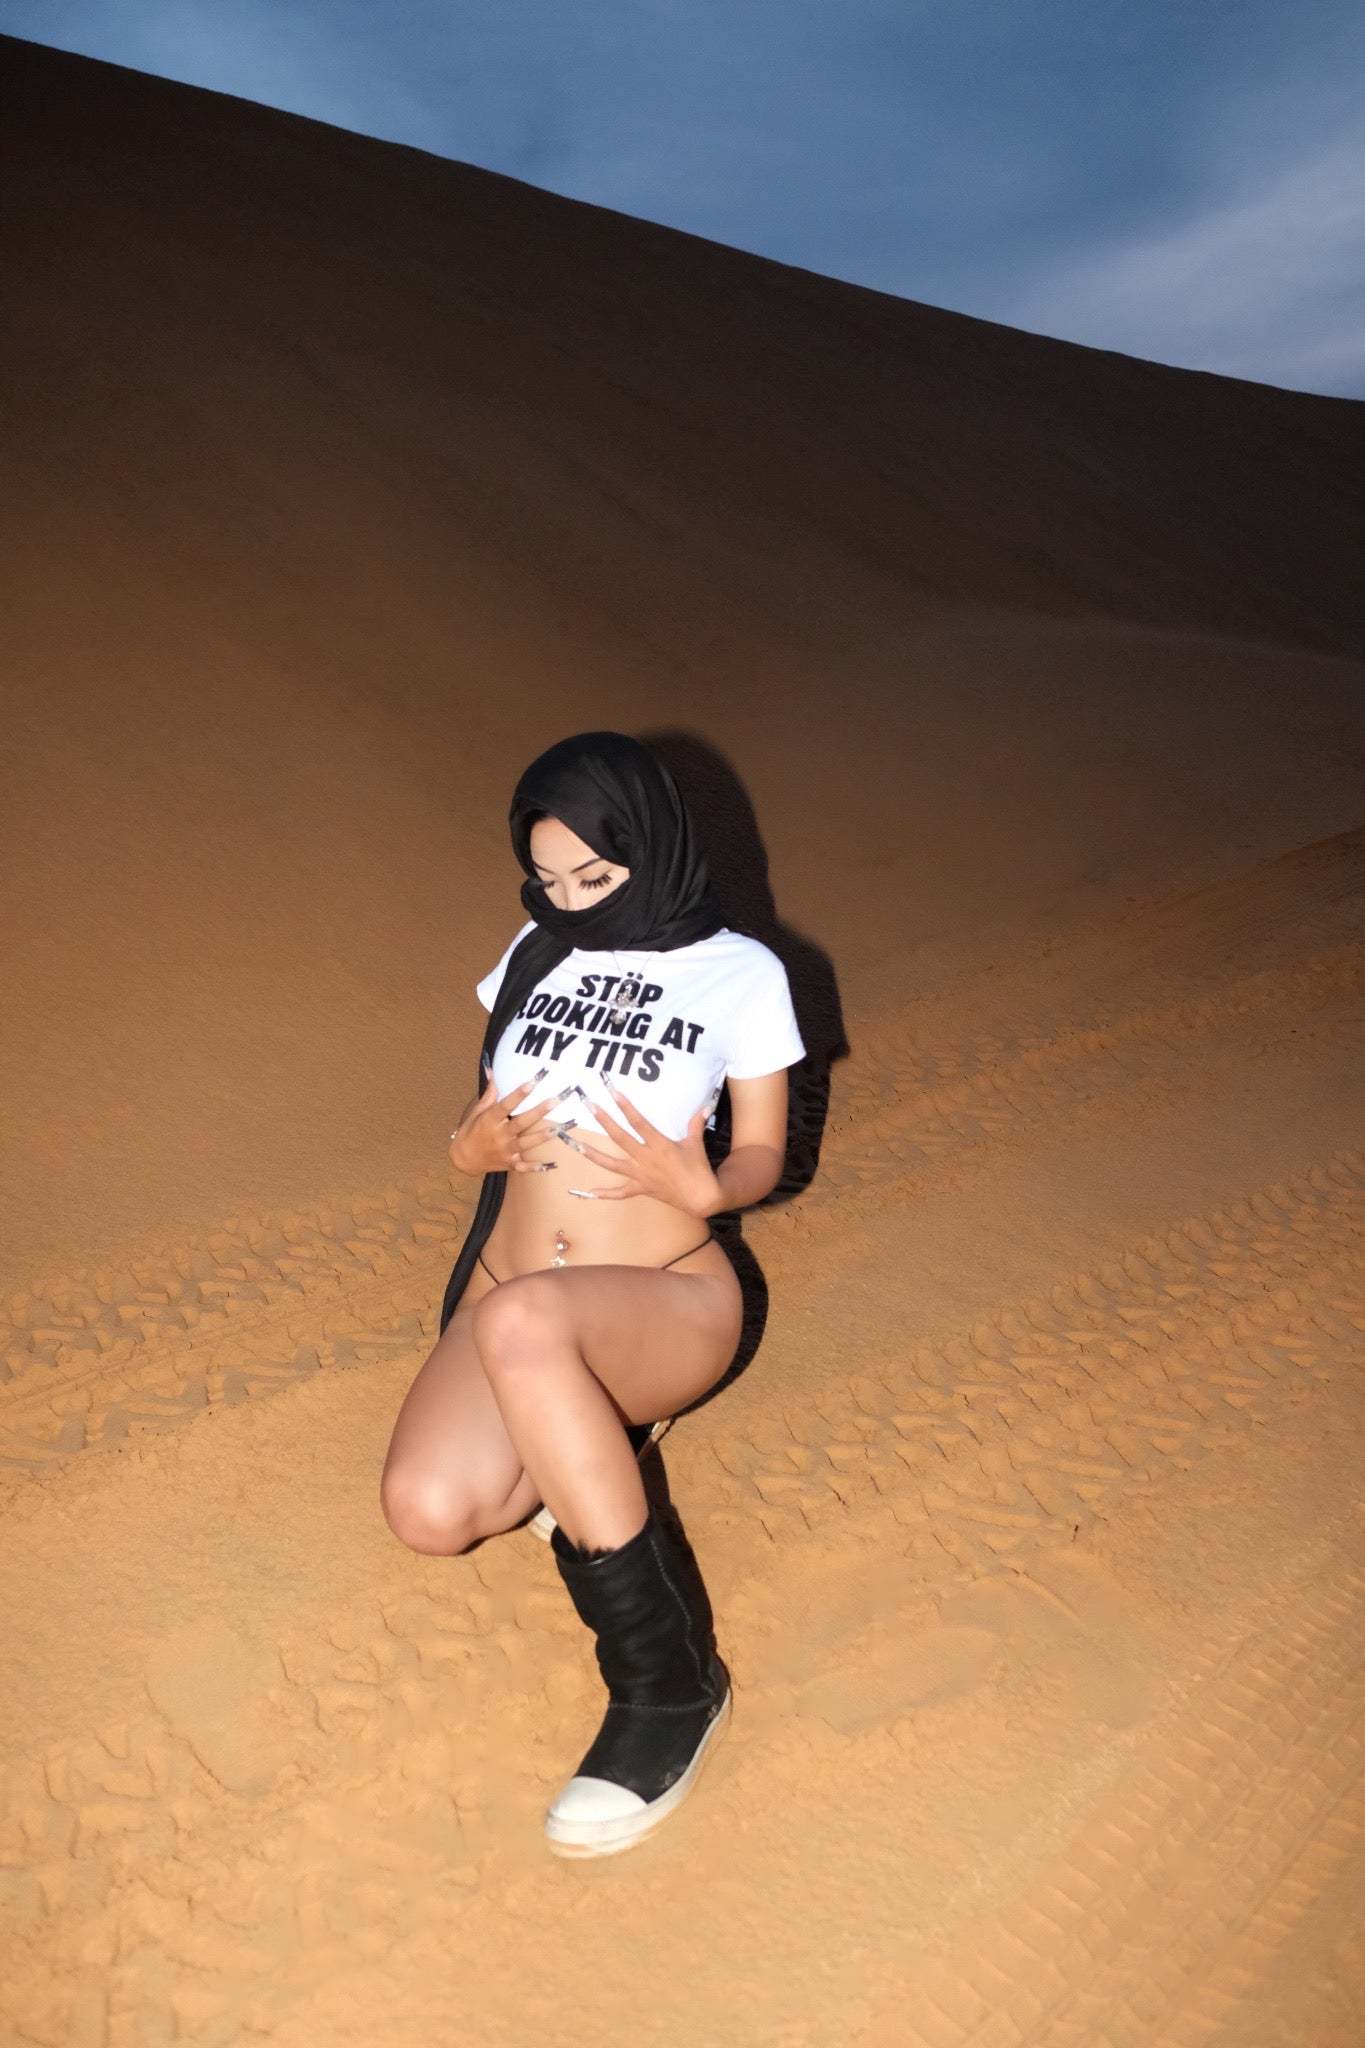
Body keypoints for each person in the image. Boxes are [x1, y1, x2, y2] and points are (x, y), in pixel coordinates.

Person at [380, 731, 806, 1858]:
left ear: (649, 847)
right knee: (431, 1513)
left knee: (522, 1326)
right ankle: (584, 1424)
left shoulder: (739, 973)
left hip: (663, 1297)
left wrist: (709, 1185)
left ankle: (670, 1683)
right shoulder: (536, 951)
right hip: (517, 1285)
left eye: (595, 877)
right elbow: (491, 1105)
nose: (569, 902)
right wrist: (463, 1150)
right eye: (548, 880)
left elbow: (765, 1151)